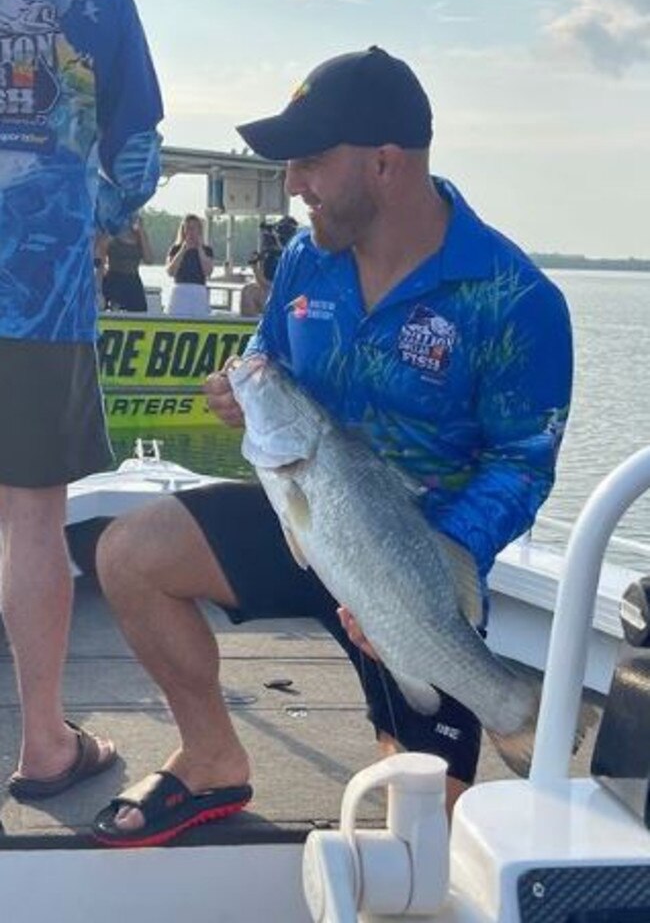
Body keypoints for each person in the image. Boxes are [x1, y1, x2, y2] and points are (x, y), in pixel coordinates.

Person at [91, 46, 572, 846]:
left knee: (425, 842)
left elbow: (524, 460)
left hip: (414, 573)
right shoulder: (309, 259)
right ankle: (211, 756)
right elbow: (267, 356)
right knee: (127, 553)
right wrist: (237, 392)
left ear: (385, 164)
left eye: (311, 161)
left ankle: (472, 734)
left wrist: (427, 565)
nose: (293, 185)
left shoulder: (516, 298)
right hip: (305, 520)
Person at [0, 0, 163, 801]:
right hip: (37, 294)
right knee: (31, 521)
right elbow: (137, 154)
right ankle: (44, 747)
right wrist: (84, 212)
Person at [98, 213, 155, 312]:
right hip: (114, 279)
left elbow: (149, 260)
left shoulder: (139, 235)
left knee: (139, 314)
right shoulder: (111, 233)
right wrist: (99, 287)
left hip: (133, 281)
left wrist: (141, 231)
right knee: (114, 313)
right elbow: (100, 260)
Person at [164, 214, 214, 317]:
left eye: (194, 228)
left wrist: (200, 248)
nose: (191, 232)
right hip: (180, 290)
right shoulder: (175, 249)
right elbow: (170, 272)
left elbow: (208, 272)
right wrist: (183, 250)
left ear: (199, 230)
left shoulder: (207, 250)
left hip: (198, 290)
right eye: (188, 228)